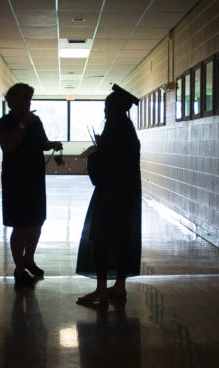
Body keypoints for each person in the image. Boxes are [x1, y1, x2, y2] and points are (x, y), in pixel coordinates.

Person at [75, 84, 142, 304]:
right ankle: (120, 286)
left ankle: (102, 290)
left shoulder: (113, 129)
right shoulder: (128, 127)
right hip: (128, 193)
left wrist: (94, 154)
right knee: (122, 238)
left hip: (110, 194)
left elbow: (104, 165)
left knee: (101, 238)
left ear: (113, 109)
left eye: (106, 107)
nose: (104, 112)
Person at [0, 83, 62, 285]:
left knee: (36, 221)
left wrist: (52, 144)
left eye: (29, 99)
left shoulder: (36, 121)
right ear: (12, 100)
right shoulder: (4, 123)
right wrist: (23, 123)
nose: (28, 102)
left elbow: (42, 143)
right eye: (24, 98)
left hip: (35, 179)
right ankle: (18, 269)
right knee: (20, 225)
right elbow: (10, 145)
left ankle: (29, 259)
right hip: (15, 180)